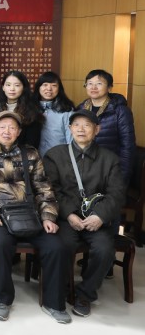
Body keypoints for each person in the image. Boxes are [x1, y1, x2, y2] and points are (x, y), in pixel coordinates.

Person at [0, 110, 71, 324]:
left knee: (56, 246)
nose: (7, 131)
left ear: (19, 131)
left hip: (29, 214)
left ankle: (54, 303)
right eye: (2, 127)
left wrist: (48, 216)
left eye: (12, 127)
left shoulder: (30, 154)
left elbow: (44, 188)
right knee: (0, 245)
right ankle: (2, 300)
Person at [43, 109, 127, 317]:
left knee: (105, 249)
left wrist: (99, 216)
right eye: (76, 125)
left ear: (97, 130)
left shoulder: (109, 159)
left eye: (87, 125)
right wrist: (69, 214)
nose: (81, 129)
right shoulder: (55, 155)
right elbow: (51, 190)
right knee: (62, 246)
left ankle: (85, 294)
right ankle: (62, 289)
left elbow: (116, 193)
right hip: (66, 218)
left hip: (96, 219)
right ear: (70, 129)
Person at [76, 69, 136, 184]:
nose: (93, 87)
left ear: (109, 87)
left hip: (110, 170)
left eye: (99, 83)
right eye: (89, 83)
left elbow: (127, 146)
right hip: (84, 170)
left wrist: (122, 177)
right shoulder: (80, 109)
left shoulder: (120, 111)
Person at [0, 70, 43, 149]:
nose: (12, 89)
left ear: (23, 88)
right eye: (8, 85)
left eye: (17, 85)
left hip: (22, 154)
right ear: (3, 87)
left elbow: (32, 143)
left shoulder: (31, 111)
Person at [34, 71, 74, 157]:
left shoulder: (66, 110)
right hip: (35, 159)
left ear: (59, 89)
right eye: (45, 85)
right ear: (38, 87)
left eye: (54, 85)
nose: (49, 89)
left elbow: (71, 139)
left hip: (59, 158)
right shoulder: (31, 107)